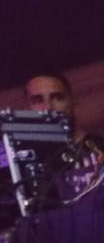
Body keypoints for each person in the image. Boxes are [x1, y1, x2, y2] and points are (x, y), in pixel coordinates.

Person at [26, 71, 104, 200]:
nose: (48, 108)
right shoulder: (26, 162)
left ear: (73, 102)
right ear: (27, 109)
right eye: (38, 100)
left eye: (57, 98)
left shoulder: (99, 147)